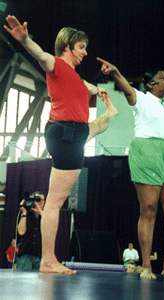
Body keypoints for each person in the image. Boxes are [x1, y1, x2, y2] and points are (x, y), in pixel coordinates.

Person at [4, 15, 118, 274]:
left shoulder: (75, 77)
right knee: (55, 202)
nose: (85, 52)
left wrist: (99, 90)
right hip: (65, 133)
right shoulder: (55, 64)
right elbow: (41, 56)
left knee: (104, 122)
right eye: (81, 47)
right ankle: (47, 260)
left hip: (75, 132)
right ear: (67, 46)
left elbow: (85, 87)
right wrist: (25, 41)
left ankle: (111, 113)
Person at [96, 57, 164, 281]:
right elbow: (126, 89)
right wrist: (115, 72)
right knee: (149, 208)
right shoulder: (142, 99)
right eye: (162, 78)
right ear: (150, 84)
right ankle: (145, 265)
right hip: (147, 150)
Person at [16, 192, 45, 270]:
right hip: (26, 254)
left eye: (42, 200)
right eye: (38, 199)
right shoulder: (26, 215)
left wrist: (40, 212)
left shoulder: (45, 216)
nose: (40, 202)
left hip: (41, 255)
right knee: (22, 280)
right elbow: (21, 232)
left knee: (40, 281)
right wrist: (24, 212)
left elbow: (50, 229)